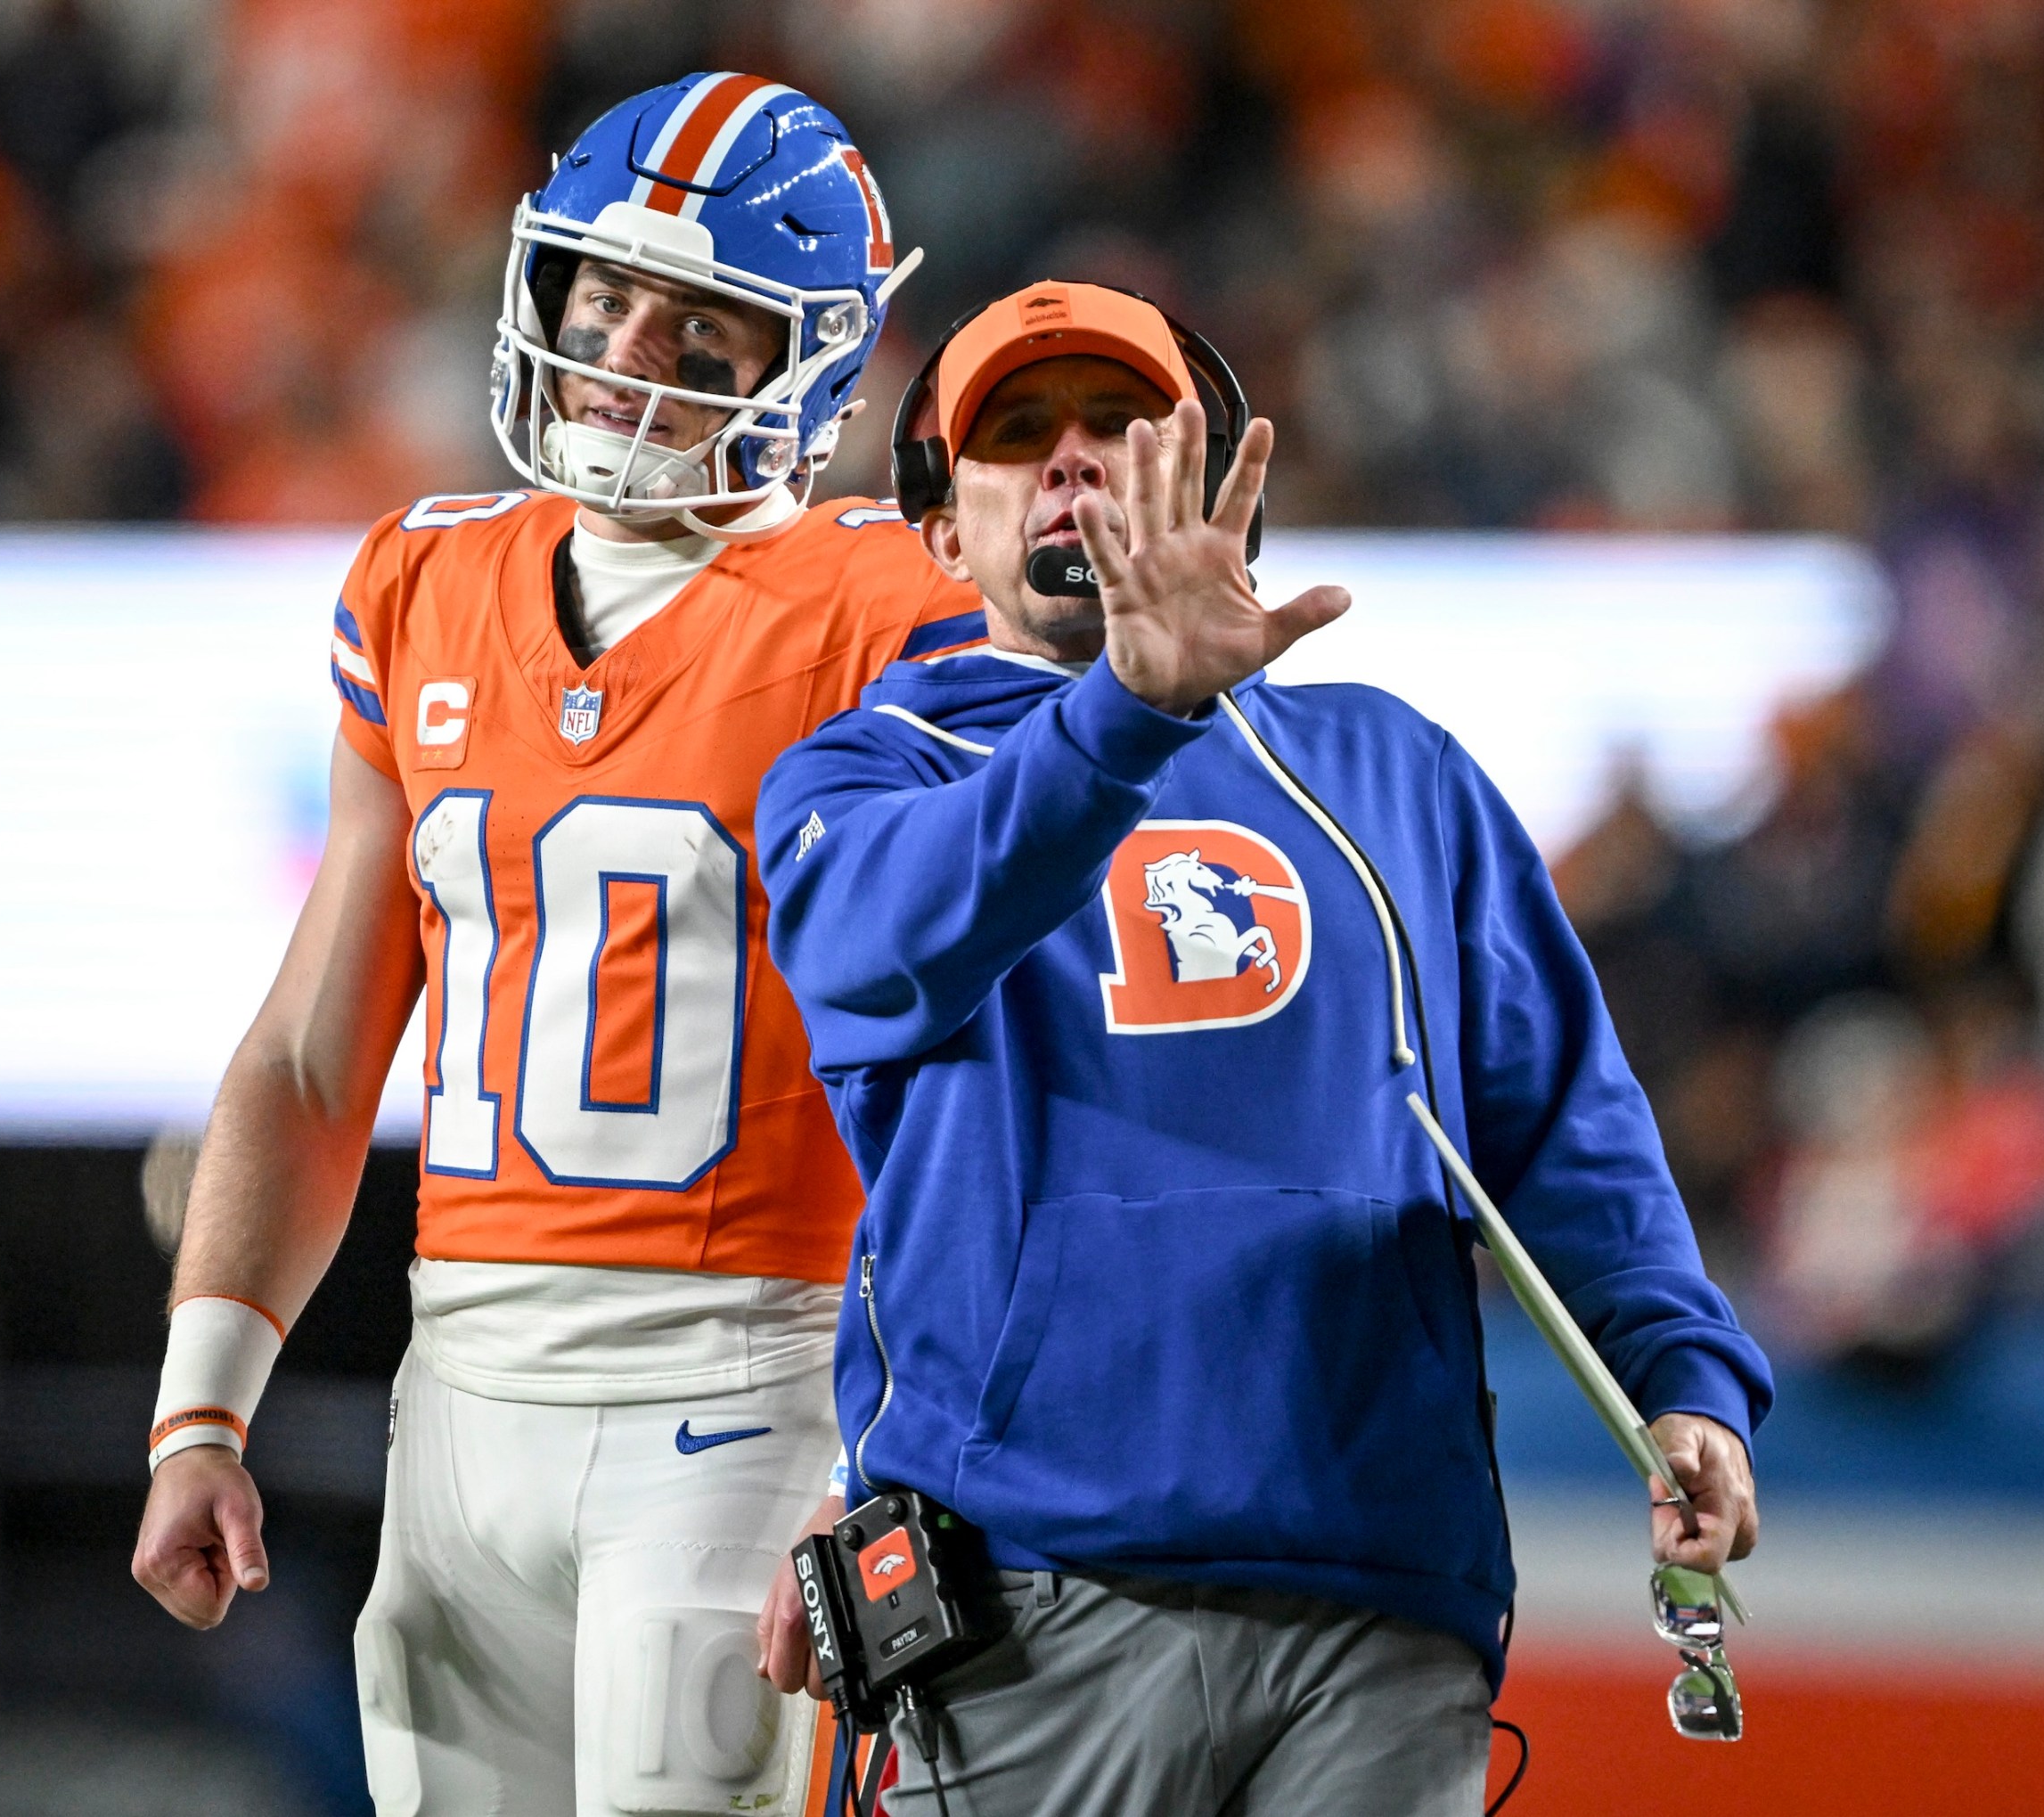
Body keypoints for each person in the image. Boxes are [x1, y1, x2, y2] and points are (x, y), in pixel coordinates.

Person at [749, 282, 1772, 1813]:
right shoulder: (871, 769)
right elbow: (876, 953)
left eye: (1120, 428)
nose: (1074, 460)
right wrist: (1126, 718)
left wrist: (1680, 1375)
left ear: (1225, 488)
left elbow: (1562, 1119)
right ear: (941, 536)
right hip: (1032, 1579)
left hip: (1379, 1578)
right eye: (1018, 435)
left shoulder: (1393, 768)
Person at [128, 75, 985, 1817]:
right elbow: (311, 1050)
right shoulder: (419, 580)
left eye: (699, 321)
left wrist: (908, 1440)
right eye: (603, 294)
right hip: (456, 1399)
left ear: (809, 360)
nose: (624, 347)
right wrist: (201, 1410)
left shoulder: (893, 610)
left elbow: (979, 1079)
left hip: (742, 1390)